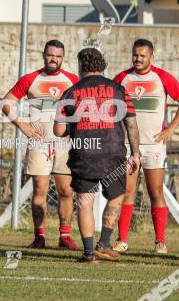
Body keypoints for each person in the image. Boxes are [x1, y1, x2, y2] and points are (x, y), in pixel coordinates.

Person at [54, 47, 140, 263]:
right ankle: (105, 242)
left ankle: (89, 253)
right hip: (112, 153)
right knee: (117, 196)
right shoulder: (119, 90)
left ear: (81, 66)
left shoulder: (70, 92)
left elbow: (58, 131)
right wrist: (136, 153)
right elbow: (131, 123)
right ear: (101, 65)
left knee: (85, 202)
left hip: (84, 153)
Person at [112, 38, 179, 254]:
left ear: (151, 57)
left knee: (155, 191)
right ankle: (122, 240)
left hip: (154, 145)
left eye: (142, 55)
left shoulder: (162, 77)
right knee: (127, 191)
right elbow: (110, 106)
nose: (138, 59)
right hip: (128, 145)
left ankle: (160, 241)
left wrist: (171, 128)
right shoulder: (122, 78)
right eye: (135, 55)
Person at [1, 39, 79, 250]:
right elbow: (6, 103)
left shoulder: (72, 80)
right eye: (50, 55)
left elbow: (82, 109)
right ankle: (39, 237)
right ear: (44, 55)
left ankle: (65, 236)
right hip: (39, 144)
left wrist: (75, 131)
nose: (53, 59)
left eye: (58, 56)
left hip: (64, 145)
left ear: (63, 58)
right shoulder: (30, 78)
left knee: (65, 190)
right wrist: (23, 126)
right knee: (40, 190)